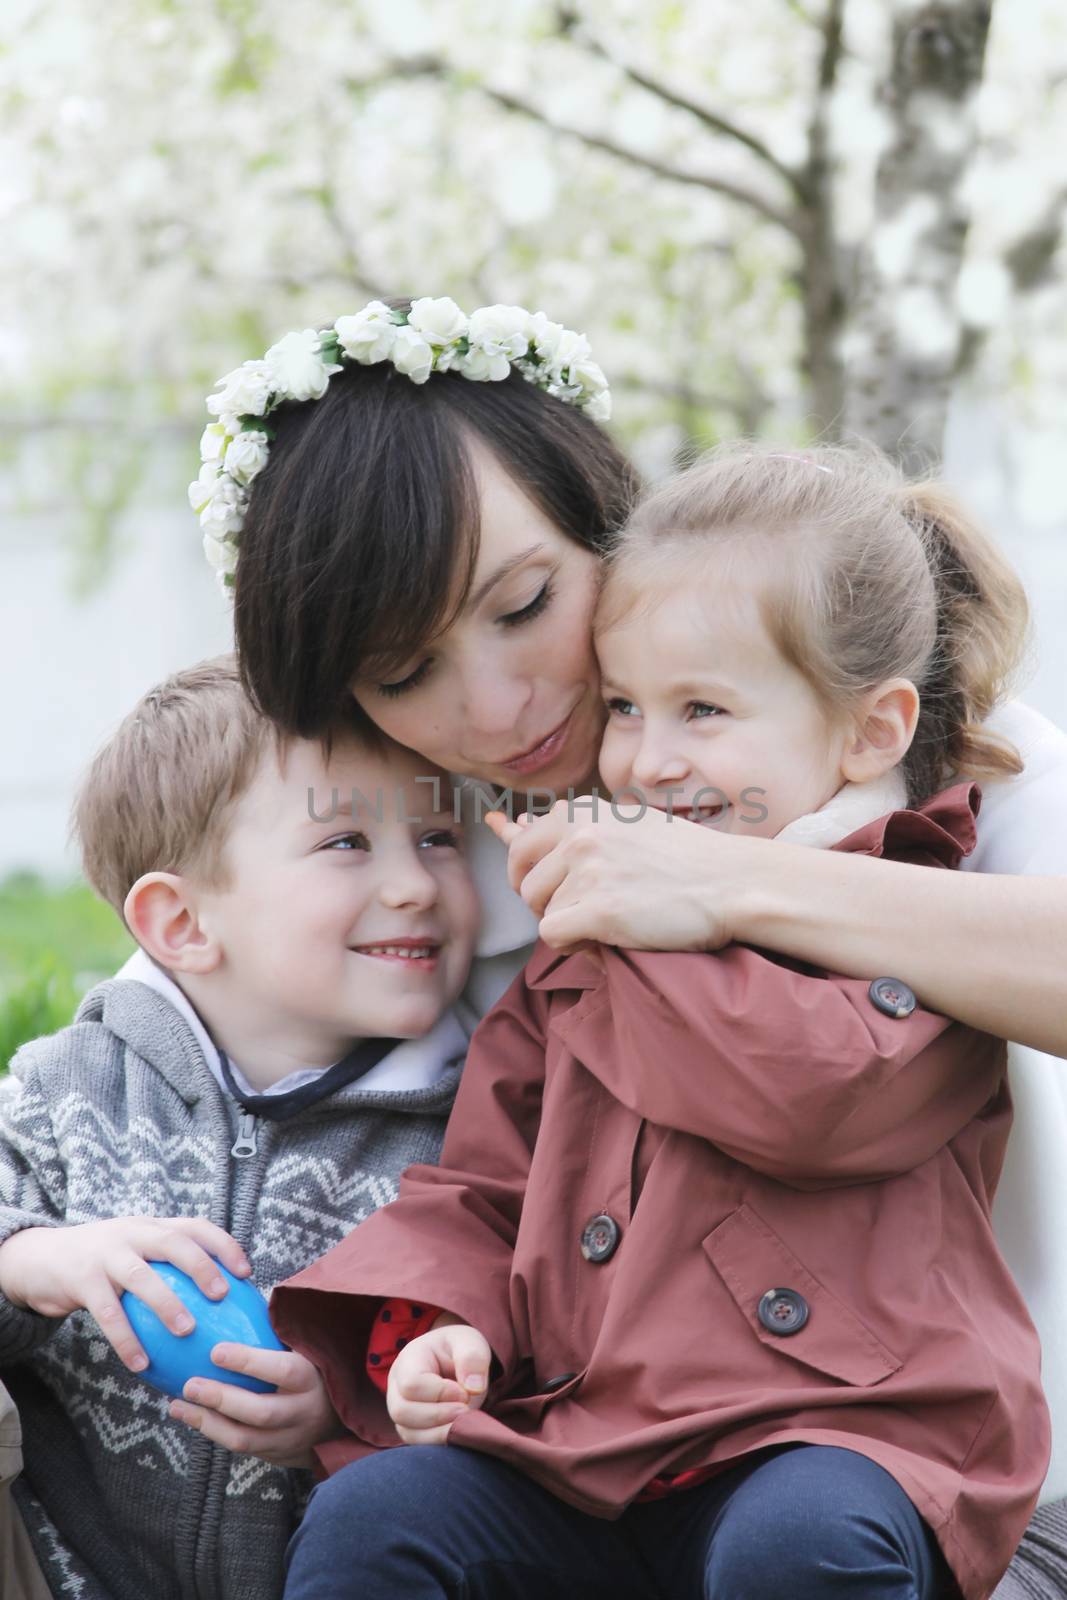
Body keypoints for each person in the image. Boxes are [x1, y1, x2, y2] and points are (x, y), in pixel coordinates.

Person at [210, 298, 1067, 1592]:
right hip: (597, 1443)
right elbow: (196, 1009)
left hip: (898, 1452)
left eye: (524, 604)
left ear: (608, 526)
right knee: (377, 1523)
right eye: (402, 672)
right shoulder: (429, 855)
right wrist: (413, 1331)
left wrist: (709, 882)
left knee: (799, 1547)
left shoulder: (927, 766)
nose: (495, 707)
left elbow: (816, 1089)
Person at [0, 656, 480, 1600]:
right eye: (347, 841)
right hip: (56, 1569)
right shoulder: (74, 1087)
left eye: (437, 838)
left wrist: (344, 1417)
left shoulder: (465, 1134)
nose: (416, 885)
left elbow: (496, 1368)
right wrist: (32, 1260)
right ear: (181, 922)